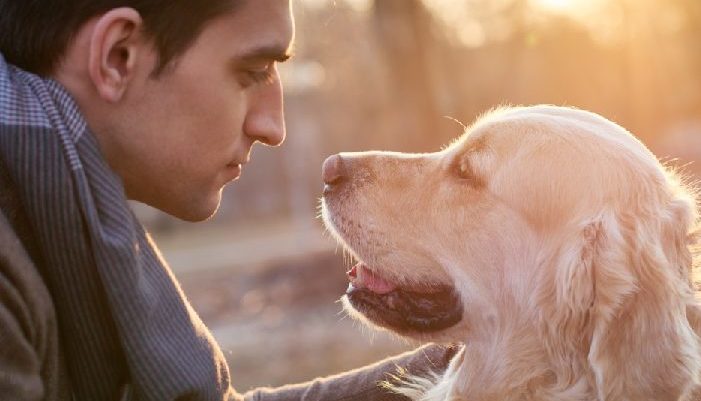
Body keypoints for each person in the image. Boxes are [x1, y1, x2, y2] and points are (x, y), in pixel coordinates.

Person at [0, 1, 456, 400]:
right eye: (251, 72)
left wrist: (459, 363)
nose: (273, 127)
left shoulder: (63, 203)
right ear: (118, 57)